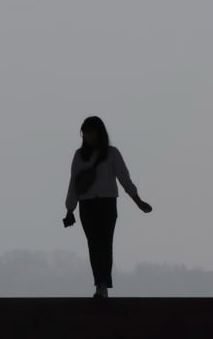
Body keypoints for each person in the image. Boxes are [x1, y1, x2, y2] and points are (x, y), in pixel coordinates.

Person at [63, 116, 153, 298]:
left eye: (90, 132)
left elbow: (125, 180)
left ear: (99, 132)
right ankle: (100, 284)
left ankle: (103, 285)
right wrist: (69, 209)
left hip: (107, 204)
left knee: (105, 244)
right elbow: (74, 184)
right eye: (85, 133)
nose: (87, 136)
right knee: (94, 245)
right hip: (86, 205)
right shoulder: (79, 155)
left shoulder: (112, 153)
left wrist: (138, 201)